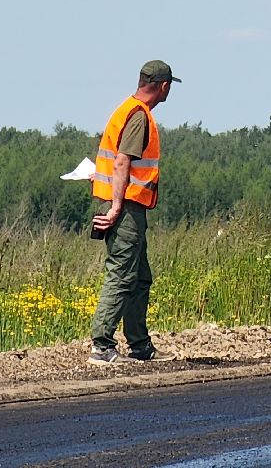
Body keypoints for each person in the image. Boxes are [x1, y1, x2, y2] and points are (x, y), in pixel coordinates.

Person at [88, 60, 179, 364]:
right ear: (163, 86)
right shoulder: (139, 116)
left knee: (140, 277)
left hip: (128, 206)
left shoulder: (126, 109)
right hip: (124, 207)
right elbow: (122, 161)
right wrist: (115, 208)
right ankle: (102, 346)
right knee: (123, 275)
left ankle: (140, 346)